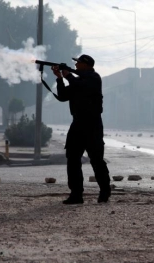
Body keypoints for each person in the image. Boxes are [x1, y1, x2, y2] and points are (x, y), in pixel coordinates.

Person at [51, 54, 111, 204]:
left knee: (96, 160)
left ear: (86, 65)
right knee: (72, 159)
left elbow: (83, 87)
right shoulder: (77, 80)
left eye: (78, 63)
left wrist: (68, 75)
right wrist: (59, 78)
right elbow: (63, 96)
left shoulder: (94, 78)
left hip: (92, 124)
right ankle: (76, 194)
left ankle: (105, 192)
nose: (76, 65)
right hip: (77, 123)